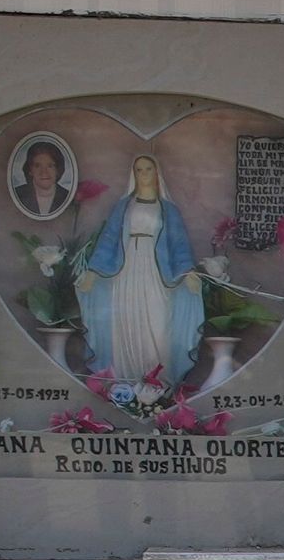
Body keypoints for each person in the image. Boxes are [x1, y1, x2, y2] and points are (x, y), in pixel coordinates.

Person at [76, 153, 201, 392]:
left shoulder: (168, 210)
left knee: (158, 324)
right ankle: (126, 382)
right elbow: (109, 239)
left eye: (148, 169)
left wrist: (188, 272)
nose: (144, 175)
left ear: (157, 173)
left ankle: (157, 383)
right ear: (133, 175)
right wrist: (93, 271)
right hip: (126, 273)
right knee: (125, 322)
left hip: (156, 275)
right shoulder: (123, 207)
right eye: (139, 170)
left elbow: (179, 245)